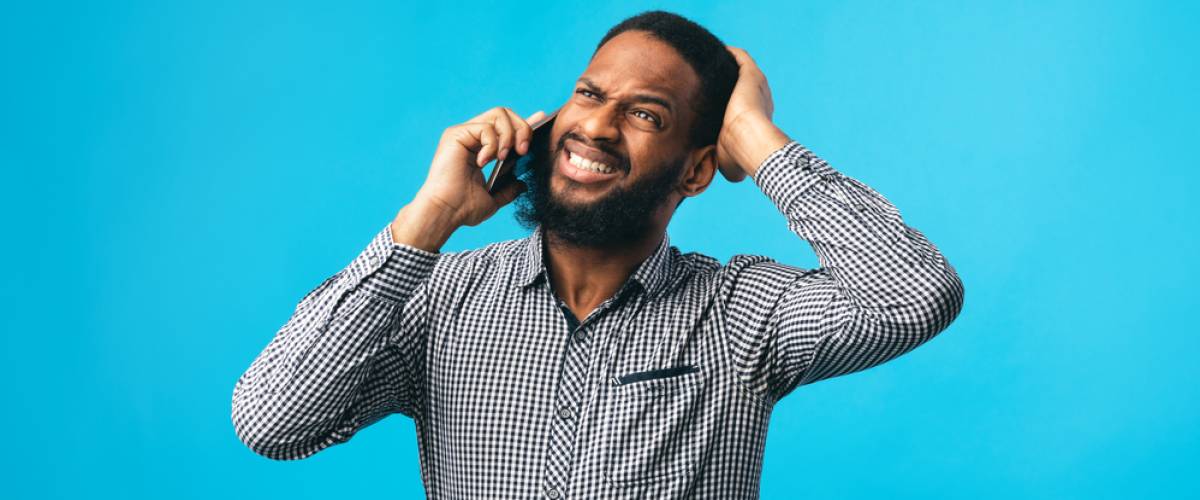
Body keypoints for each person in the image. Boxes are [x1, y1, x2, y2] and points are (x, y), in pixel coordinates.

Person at [231, 10, 964, 499]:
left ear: (697, 170)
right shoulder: (438, 299)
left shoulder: (744, 315)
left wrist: (753, 135)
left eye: (646, 114)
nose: (598, 127)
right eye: (589, 94)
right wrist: (428, 220)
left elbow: (915, 295)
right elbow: (273, 423)